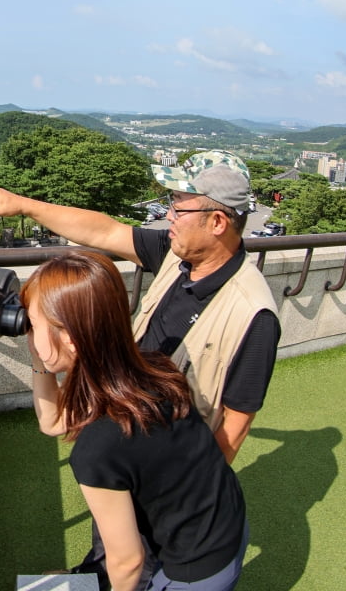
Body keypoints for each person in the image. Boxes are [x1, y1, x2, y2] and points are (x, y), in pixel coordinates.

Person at [0, 150, 280, 464]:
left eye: (179, 206)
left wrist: (190, 492)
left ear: (216, 222)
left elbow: (236, 424)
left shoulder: (253, 314)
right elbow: (104, 231)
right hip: (125, 435)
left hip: (168, 465)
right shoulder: (176, 256)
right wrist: (23, 206)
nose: (169, 215)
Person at [23, 250, 248, 591]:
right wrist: (38, 353)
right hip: (227, 518)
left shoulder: (99, 446)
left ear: (70, 337)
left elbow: (127, 562)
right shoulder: (148, 369)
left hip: (196, 568)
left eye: (33, 323)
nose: (29, 330)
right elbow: (52, 422)